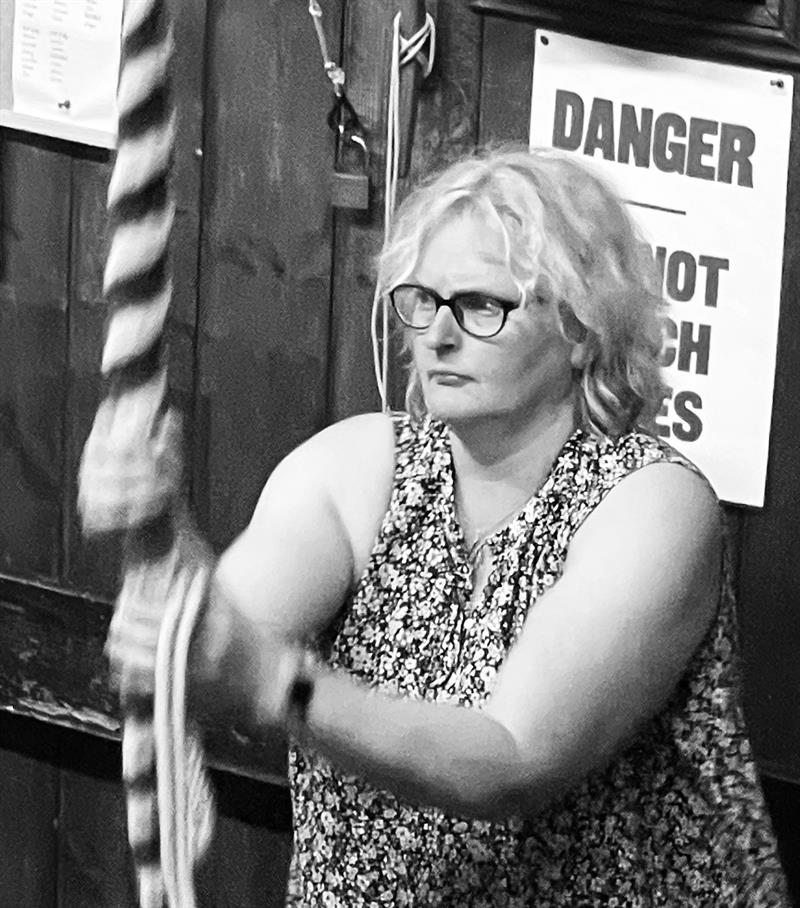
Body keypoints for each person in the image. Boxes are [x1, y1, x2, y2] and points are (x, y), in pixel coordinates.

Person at [89, 147, 789, 906]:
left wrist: (275, 681)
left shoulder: (653, 505)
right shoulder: (358, 469)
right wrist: (161, 527)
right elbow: (206, 649)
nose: (438, 335)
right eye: (422, 300)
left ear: (582, 329)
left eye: (483, 306)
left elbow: (511, 763)